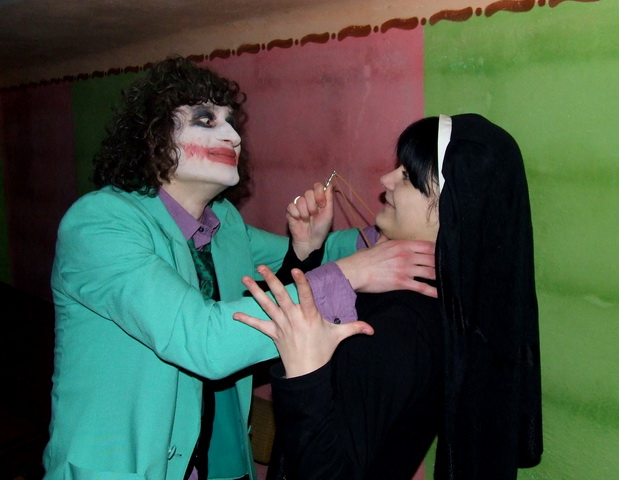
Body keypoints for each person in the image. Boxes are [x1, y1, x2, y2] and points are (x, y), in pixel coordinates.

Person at [42, 56, 439, 480]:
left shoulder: (224, 223)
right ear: (153, 136)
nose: (232, 137)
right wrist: (354, 272)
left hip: (222, 461)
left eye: (231, 123)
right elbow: (203, 341)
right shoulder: (99, 224)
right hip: (128, 468)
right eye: (206, 120)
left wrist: (395, 230)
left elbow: (312, 251)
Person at [233, 114, 543, 479]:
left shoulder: (403, 325)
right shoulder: (412, 295)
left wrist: (305, 375)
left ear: (455, 209)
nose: (386, 181)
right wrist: (306, 253)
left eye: (408, 176)